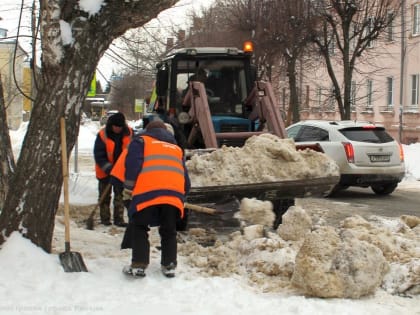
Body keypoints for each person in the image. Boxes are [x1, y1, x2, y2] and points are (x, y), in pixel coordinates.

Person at [122, 120, 190, 278]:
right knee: (169, 230)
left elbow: (133, 166)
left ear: (148, 130)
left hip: (147, 192)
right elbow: (185, 176)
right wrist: (183, 196)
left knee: (140, 226)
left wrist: (128, 190)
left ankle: (139, 264)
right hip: (173, 194)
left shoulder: (141, 142)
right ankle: (169, 265)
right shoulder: (176, 148)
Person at [94, 112, 132, 227]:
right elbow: (99, 155)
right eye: (116, 126)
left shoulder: (129, 133)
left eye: (120, 127)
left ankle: (119, 219)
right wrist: (109, 169)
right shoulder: (102, 135)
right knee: (104, 196)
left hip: (121, 171)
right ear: (111, 125)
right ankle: (105, 219)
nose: (118, 129)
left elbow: (132, 152)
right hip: (105, 171)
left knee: (120, 196)